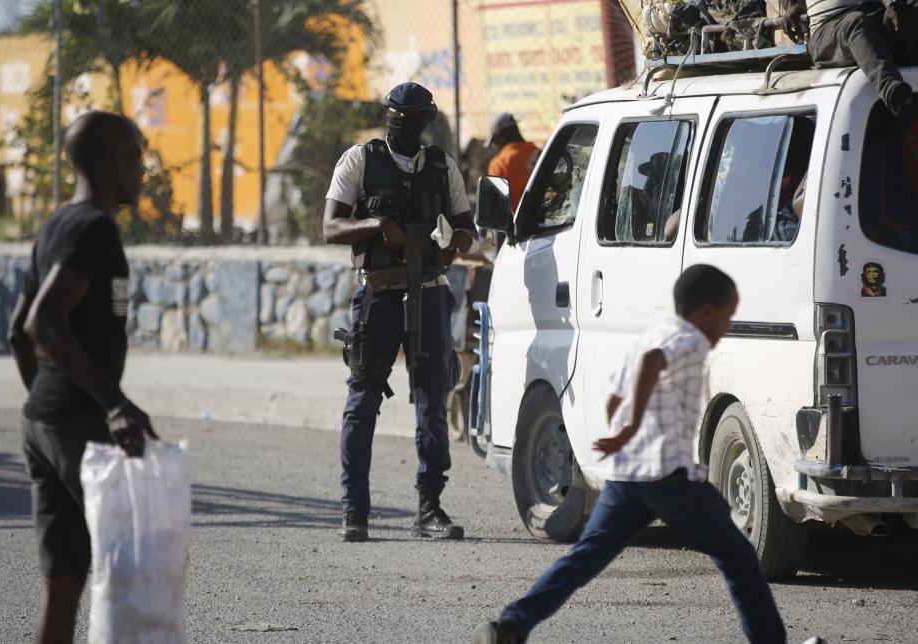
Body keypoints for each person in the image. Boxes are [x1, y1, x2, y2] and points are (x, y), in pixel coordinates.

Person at [473, 265, 813, 644]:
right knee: (739, 557)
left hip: (628, 477)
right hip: (667, 476)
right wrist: (632, 428)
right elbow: (652, 363)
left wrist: (622, 431)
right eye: (727, 313)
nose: (728, 323)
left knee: (585, 557)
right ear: (705, 311)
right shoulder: (689, 339)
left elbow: (620, 390)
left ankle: (510, 626)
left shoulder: (655, 333)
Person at [6, 111, 155, 644]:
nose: (143, 168)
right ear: (111, 159)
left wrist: (49, 406)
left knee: (65, 580)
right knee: (135, 571)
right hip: (76, 422)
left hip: (43, 420)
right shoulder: (93, 229)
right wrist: (110, 404)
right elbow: (42, 322)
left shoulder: (56, 223)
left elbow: (16, 333)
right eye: (137, 155)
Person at [323, 82, 478, 543]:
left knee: (433, 403)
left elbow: (466, 226)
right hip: (379, 297)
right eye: (396, 117)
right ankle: (355, 511)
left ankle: (429, 509)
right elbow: (331, 227)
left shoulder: (440, 166)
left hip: (430, 293)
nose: (402, 126)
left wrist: (459, 239)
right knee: (363, 402)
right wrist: (376, 225)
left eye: (411, 118)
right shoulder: (359, 160)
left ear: (424, 121)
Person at [783, 0, 918, 119]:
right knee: (855, 22)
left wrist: (892, 5)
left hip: (870, 17)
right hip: (828, 29)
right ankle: (892, 90)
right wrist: (793, 6)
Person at [485, 113, 539, 214]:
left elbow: (496, 208)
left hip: (517, 227)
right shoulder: (540, 154)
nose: (495, 146)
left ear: (499, 137)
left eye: (494, 142)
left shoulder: (499, 164)